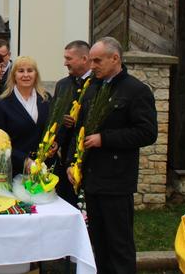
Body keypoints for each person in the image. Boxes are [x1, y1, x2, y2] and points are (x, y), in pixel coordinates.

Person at [66, 37, 157, 274]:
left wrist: (105, 139)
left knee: (119, 245)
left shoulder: (136, 90)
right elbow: (80, 130)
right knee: (99, 244)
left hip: (117, 181)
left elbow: (147, 133)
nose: (92, 65)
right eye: (91, 60)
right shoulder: (93, 88)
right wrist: (72, 162)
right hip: (93, 179)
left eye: (98, 60)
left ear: (115, 58)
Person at [0, 56, 50, 176]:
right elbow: (1, 142)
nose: (26, 75)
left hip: (44, 169)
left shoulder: (46, 99)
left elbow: (52, 128)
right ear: (14, 75)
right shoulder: (3, 103)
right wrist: (24, 160)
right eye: (21, 71)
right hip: (15, 170)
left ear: (36, 74)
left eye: (30, 70)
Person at [53, 40, 92, 207]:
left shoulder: (96, 84)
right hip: (65, 159)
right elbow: (54, 116)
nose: (65, 63)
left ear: (84, 59)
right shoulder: (63, 85)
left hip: (89, 156)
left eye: (69, 59)